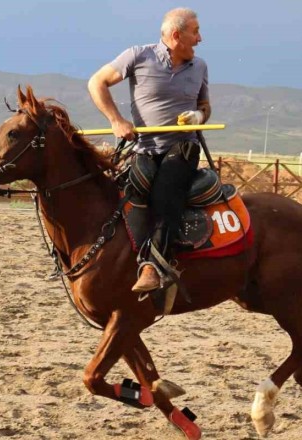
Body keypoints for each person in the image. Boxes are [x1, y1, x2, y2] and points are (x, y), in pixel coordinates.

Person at [87, 7, 210, 295]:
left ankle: (153, 266)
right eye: (196, 32)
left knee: (166, 193)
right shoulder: (137, 55)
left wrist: (199, 117)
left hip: (183, 146)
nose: (200, 38)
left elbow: (205, 106)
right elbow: (97, 82)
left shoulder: (201, 67)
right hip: (144, 145)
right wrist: (116, 120)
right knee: (134, 191)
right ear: (177, 35)